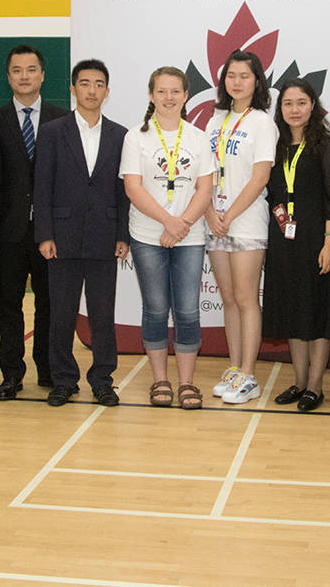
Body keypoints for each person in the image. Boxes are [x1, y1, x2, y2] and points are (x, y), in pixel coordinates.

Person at [35, 59, 131, 407]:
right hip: (61, 237)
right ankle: (63, 379)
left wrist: (123, 234)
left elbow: (124, 190)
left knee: (103, 315)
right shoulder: (52, 131)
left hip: (105, 238)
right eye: (85, 83)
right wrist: (44, 234)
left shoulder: (121, 135)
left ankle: (103, 379)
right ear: (73, 88)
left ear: (107, 91)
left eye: (99, 84)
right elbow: (42, 186)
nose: (92, 90)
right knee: (61, 312)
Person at [120, 67, 215, 409]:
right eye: (162, 91)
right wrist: (167, 222)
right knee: (156, 309)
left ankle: (187, 383)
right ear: (151, 95)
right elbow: (133, 187)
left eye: (176, 91)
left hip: (189, 236)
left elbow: (206, 187)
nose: (169, 97)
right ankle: (160, 380)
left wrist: (183, 223)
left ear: (186, 96)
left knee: (188, 311)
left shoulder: (198, 138)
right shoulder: (136, 137)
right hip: (147, 235)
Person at [0, 45, 70, 399]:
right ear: (8, 76)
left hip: (49, 231)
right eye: (17, 70)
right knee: (9, 304)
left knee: (49, 303)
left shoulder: (62, 119)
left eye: (31, 69)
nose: (24, 76)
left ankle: (48, 368)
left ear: (42, 75)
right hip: (8, 231)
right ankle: (11, 373)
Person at [204, 50, 279, 405]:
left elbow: (260, 176)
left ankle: (249, 374)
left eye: (244, 76)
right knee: (229, 299)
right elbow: (204, 174)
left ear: (257, 81)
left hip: (245, 221)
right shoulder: (214, 121)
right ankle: (235, 367)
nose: (236, 82)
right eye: (231, 75)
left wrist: (229, 214)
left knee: (248, 299)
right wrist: (209, 213)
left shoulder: (262, 122)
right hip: (214, 221)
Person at [263, 79, 330, 412]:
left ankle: (316, 386)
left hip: (315, 240)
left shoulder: (324, 144)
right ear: (280, 110)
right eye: (288, 103)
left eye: (302, 102)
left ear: (313, 106)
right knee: (294, 311)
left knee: (316, 312)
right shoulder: (275, 145)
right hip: (283, 239)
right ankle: (299, 381)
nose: (295, 109)